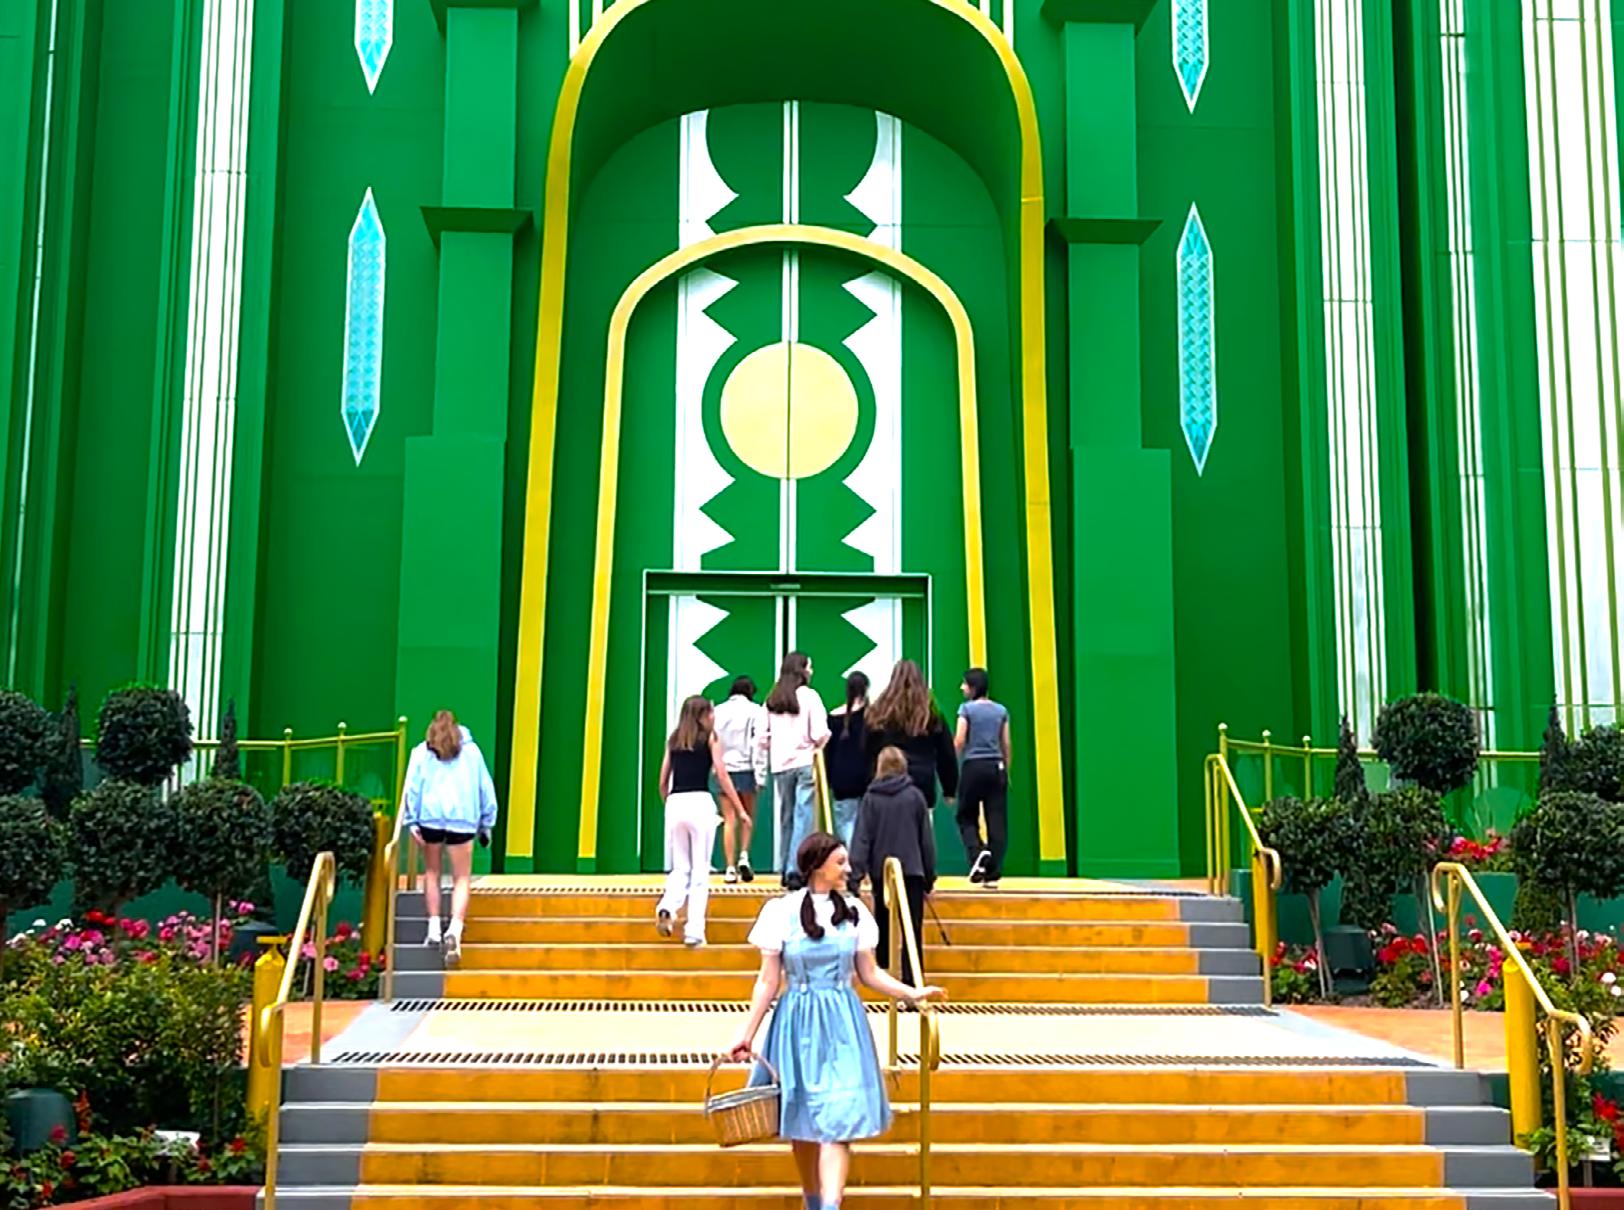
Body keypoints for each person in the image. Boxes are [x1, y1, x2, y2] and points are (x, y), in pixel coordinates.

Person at [727, 833, 944, 1210]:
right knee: (803, 1117)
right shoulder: (781, 912)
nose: (848, 869)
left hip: (843, 1022)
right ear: (817, 866)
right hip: (797, 1020)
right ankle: (813, 1199)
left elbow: (870, 973)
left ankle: (830, 1205)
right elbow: (768, 981)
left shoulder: (855, 911)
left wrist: (912, 993)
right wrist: (746, 1034)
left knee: (838, 1117)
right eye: (840, 862)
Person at [400, 709, 499, 966]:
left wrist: (412, 821)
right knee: (461, 878)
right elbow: (485, 789)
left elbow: (412, 789)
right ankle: (454, 929)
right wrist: (487, 822)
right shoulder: (472, 753)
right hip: (463, 821)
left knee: (431, 873)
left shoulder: (420, 753)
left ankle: (433, 928)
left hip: (429, 819)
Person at [656, 695, 743, 948]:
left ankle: (668, 906)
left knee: (680, 867)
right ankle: (694, 930)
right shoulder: (710, 738)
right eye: (711, 712)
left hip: (675, 802)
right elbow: (722, 775)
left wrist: (669, 803)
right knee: (700, 871)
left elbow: (663, 780)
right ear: (703, 715)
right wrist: (739, 809)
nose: (713, 717)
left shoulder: (674, 739)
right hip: (700, 802)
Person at [849, 745, 935, 985]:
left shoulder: (871, 798)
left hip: (882, 871)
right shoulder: (915, 797)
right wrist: (929, 875)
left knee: (883, 920)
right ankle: (911, 978)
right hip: (912, 870)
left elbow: (862, 838)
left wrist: (855, 874)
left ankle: (884, 968)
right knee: (912, 927)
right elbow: (926, 840)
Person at [759, 651, 829, 889]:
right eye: (809, 667)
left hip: (780, 765)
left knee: (787, 817)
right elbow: (820, 733)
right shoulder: (810, 696)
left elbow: (761, 737)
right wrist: (818, 745)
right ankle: (795, 869)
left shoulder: (772, 699)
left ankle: (785, 866)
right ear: (802, 670)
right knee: (803, 816)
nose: (811, 671)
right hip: (804, 761)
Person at [863, 658, 958, 808]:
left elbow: (867, 750)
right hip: (922, 785)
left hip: (885, 784)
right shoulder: (931, 714)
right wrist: (949, 789)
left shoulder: (879, 712)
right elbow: (946, 754)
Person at [955, 666, 1012, 888]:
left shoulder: (966, 709)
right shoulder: (1001, 711)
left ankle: (977, 853)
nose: (962, 688)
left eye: (964, 684)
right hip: (996, 766)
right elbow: (1006, 743)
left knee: (966, 815)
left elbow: (960, 740)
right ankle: (992, 870)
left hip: (973, 766)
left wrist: (950, 763)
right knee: (997, 820)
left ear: (973, 687)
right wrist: (1006, 770)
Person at [712, 675, 768, 883]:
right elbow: (758, 744)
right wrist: (760, 775)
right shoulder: (756, 711)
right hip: (747, 768)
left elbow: (713, 740)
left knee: (729, 819)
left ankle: (729, 867)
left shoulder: (718, 711)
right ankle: (744, 855)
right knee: (747, 815)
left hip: (724, 768)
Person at [823, 671, 870, 848]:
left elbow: (828, 752)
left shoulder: (834, 717)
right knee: (865, 826)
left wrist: (829, 780)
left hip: (841, 779)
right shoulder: (871, 716)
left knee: (845, 823)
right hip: (866, 778)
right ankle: (861, 858)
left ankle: (851, 858)